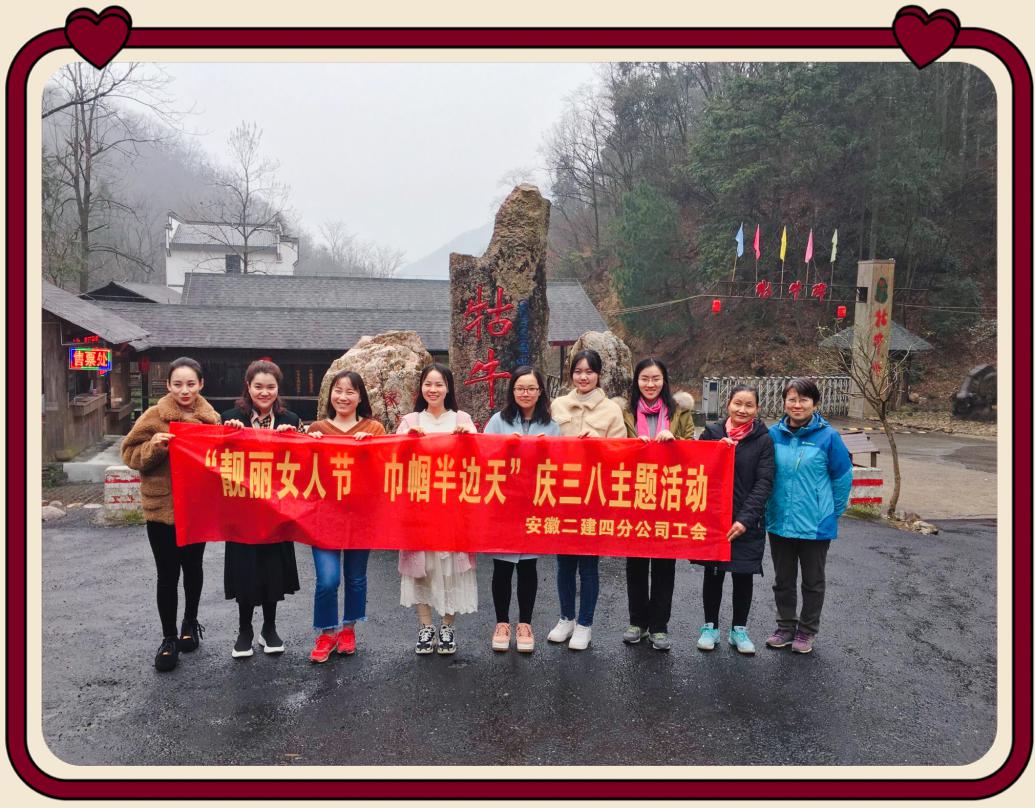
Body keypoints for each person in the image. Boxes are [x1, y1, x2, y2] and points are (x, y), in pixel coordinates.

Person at [121, 357, 220, 672]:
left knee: (193, 568)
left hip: (196, 508)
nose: (184, 390)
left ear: (201, 384)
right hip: (161, 509)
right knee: (167, 574)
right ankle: (168, 637)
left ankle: (190, 622)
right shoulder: (153, 416)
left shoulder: (211, 419)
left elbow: (222, 459)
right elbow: (129, 454)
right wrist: (154, 447)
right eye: (178, 384)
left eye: (190, 384)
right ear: (168, 385)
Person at [220, 360, 302, 659]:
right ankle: (244, 630)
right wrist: (227, 434)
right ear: (248, 387)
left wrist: (294, 436)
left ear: (278, 388)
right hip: (242, 509)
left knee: (272, 569)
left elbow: (305, 462)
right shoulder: (229, 418)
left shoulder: (290, 419)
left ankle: (269, 627)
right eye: (258, 387)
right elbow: (214, 459)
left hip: (276, 509)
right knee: (245, 569)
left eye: (270, 387)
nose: (264, 392)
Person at [765, 378, 852, 654]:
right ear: (784, 402)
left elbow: (842, 477)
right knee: (783, 580)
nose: (797, 405)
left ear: (815, 403)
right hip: (779, 520)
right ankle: (785, 627)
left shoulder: (829, 437)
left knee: (813, 581)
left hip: (815, 523)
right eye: (791, 399)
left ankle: (807, 630)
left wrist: (831, 512)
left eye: (803, 399)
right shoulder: (773, 434)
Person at [304, 370, 386, 663]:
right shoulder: (318, 428)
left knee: (356, 577)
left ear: (360, 396)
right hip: (324, 517)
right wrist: (308, 444)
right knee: (327, 580)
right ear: (330, 395)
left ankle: (349, 629)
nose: (343, 397)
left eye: (350, 391)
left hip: (360, 517)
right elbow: (301, 474)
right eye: (338, 390)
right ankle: (326, 633)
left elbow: (386, 471)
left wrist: (372, 448)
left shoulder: (374, 429)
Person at [396, 363, 478, 655]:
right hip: (419, 507)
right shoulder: (410, 420)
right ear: (421, 388)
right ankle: (425, 626)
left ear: (448, 388)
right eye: (428, 384)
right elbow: (393, 460)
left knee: (450, 568)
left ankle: (447, 626)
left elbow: (479, 460)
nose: (433, 389)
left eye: (439, 384)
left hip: (452, 508)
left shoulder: (462, 419)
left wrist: (469, 437)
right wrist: (406, 440)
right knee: (422, 568)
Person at [547, 348, 626, 651]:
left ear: (598, 375)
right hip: (562, 495)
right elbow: (545, 447)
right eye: (578, 371)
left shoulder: (611, 410)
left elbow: (622, 454)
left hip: (594, 496)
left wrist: (600, 445)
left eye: (589, 372)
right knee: (564, 563)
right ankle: (566, 618)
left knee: (588, 565)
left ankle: (584, 624)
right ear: (571, 375)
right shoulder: (557, 405)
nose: (583, 377)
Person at [483, 365, 560, 653]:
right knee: (502, 567)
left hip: (534, 504)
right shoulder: (497, 421)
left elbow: (562, 463)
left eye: (531, 388)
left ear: (540, 392)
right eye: (520, 388)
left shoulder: (552, 426)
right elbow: (482, 455)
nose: (525, 393)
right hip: (503, 503)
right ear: (512, 391)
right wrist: (506, 447)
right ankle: (502, 623)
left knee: (528, 566)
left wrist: (545, 449)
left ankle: (525, 624)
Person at [620, 357, 695, 652]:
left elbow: (694, 450)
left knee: (665, 564)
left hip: (668, 497)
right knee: (636, 564)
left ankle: (660, 626)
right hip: (634, 496)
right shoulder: (624, 412)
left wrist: (674, 441)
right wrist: (630, 446)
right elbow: (612, 449)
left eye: (656, 379)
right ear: (636, 381)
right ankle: (637, 622)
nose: (650, 384)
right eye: (644, 379)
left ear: (664, 381)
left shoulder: (680, 412)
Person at [696, 384, 775, 655]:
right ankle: (710, 627)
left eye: (749, 405)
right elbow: (695, 467)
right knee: (713, 573)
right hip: (715, 519)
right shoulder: (712, 433)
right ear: (728, 404)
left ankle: (739, 630)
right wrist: (714, 452)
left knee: (743, 575)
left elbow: (764, 482)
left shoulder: (763, 440)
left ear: (757, 409)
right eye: (737, 403)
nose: (742, 409)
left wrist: (745, 519)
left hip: (747, 522)